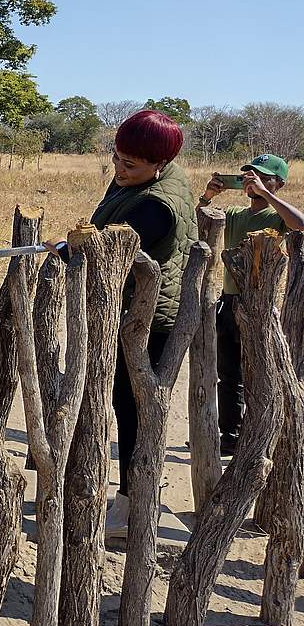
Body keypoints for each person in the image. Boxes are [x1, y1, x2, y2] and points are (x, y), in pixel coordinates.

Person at [51, 110, 198, 540]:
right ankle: (122, 494)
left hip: (147, 321)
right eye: (116, 158)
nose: (118, 169)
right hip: (126, 309)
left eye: (129, 164)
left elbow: (106, 251)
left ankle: (133, 504)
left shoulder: (157, 204)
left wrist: (66, 247)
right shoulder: (140, 178)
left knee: (132, 411)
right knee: (119, 405)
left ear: (160, 165)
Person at [198, 154, 303, 453]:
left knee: (258, 373)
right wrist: (208, 195)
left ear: (279, 183)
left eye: (261, 176)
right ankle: (229, 438)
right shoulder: (233, 214)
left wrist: (266, 195)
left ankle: (258, 436)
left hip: (258, 305)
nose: (251, 181)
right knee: (228, 374)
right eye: (248, 175)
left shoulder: (275, 217)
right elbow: (196, 222)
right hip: (229, 302)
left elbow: (301, 225)